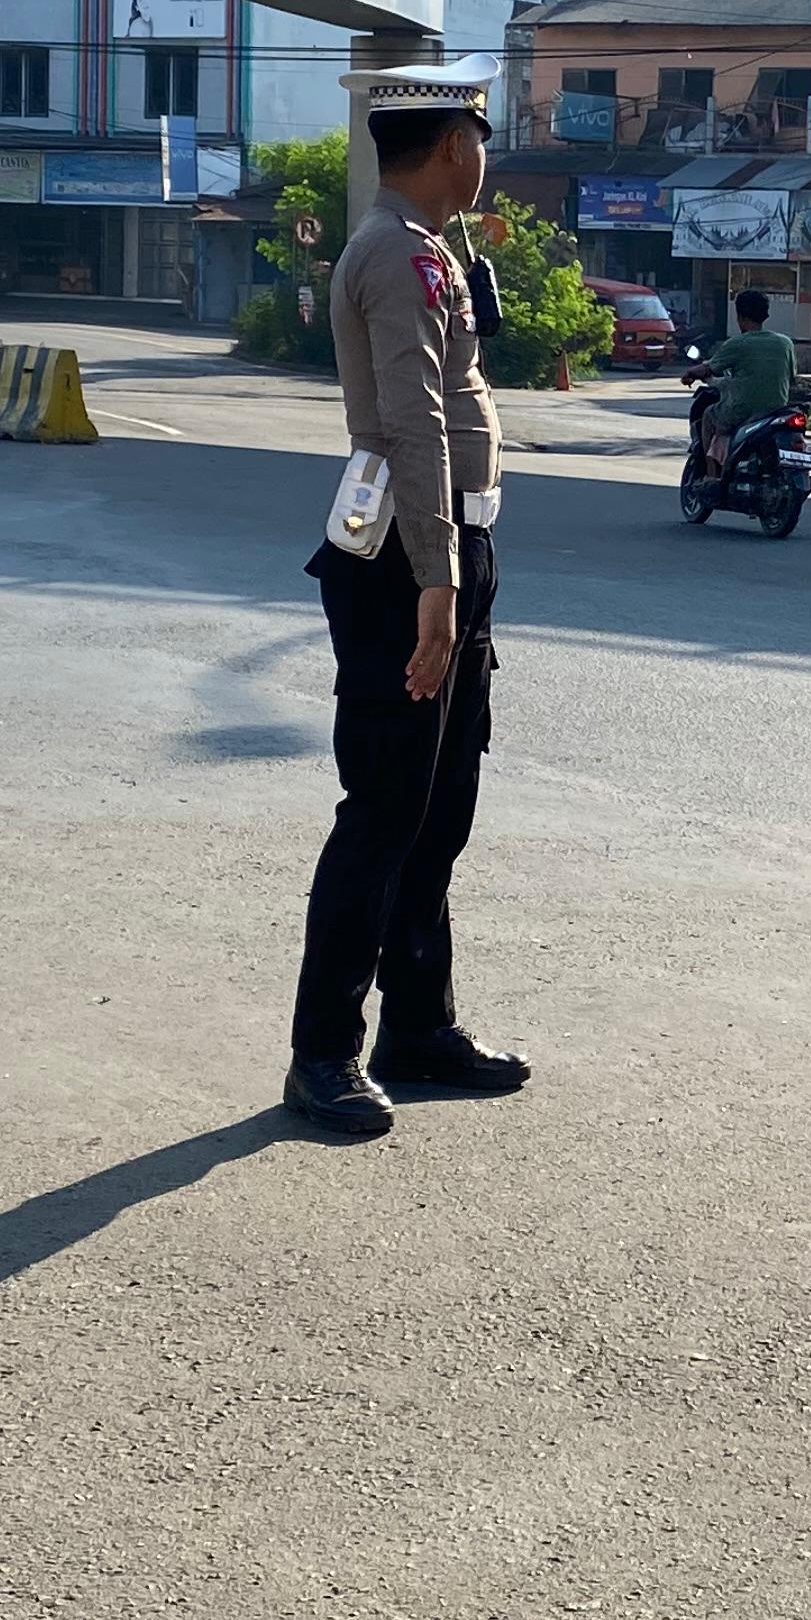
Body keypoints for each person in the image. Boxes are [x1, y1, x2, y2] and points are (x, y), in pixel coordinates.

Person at [282, 78, 532, 1139]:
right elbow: (411, 422)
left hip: (448, 548)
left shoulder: (432, 246)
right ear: (447, 146)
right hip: (405, 559)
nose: (485, 155)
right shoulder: (395, 253)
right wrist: (437, 578)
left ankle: (419, 1026)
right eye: (478, 136)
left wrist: (457, 566)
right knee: (386, 807)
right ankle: (323, 1053)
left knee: (441, 806)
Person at [691, 288, 797, 474]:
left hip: (742, 412)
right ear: (765, 315)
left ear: (740, 316)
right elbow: (792, 377)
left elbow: (708, 369)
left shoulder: (737, 343)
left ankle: (711, 474)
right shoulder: (785, 343)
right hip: (776, 411)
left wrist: (690, 373)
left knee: (708, 415)